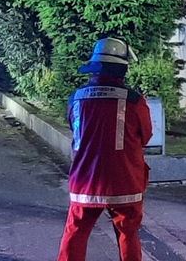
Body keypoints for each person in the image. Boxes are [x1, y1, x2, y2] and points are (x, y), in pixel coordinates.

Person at [57, 37, 153, 261]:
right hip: (124, 180)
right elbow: (145, 137)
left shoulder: (76, 98)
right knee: (128, 232)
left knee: (76, 231)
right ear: (122, 68)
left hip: (85, 181)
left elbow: (74, 128)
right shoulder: (134, 101)